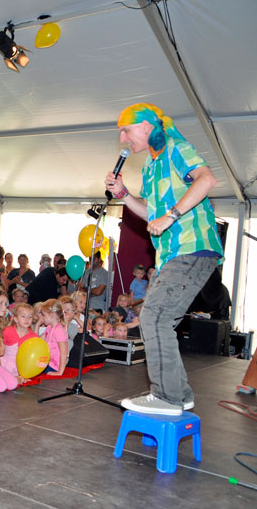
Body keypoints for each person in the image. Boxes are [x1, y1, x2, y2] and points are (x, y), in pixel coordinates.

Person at [108, 103, 223, 416]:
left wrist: (171, 216)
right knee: (154, 319)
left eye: (126, 130)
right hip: (169, 255)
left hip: (192, 246)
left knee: (155, 316)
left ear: (146, 126)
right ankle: (178, 395)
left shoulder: (176, 148)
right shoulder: (149, 166)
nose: (122, 138)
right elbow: (151, 214)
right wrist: (124, 194)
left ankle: (168, 397)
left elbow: (206, 180)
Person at [0, 303, 40, 383]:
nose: (27, 319)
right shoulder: (7, 330)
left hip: (20, 368)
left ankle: (15, 378)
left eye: (30, 317)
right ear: (16, 319)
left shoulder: (33, 337)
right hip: (4, 364)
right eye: (23, 316)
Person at [40, 299, 68, 376]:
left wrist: (60, 372)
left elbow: (64, 352)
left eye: (43, 315)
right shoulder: (49, 327)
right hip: (48, 362)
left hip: (54, 365)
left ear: (51, 314)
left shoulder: (59, 330)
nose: (42, 317)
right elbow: (38, 340)